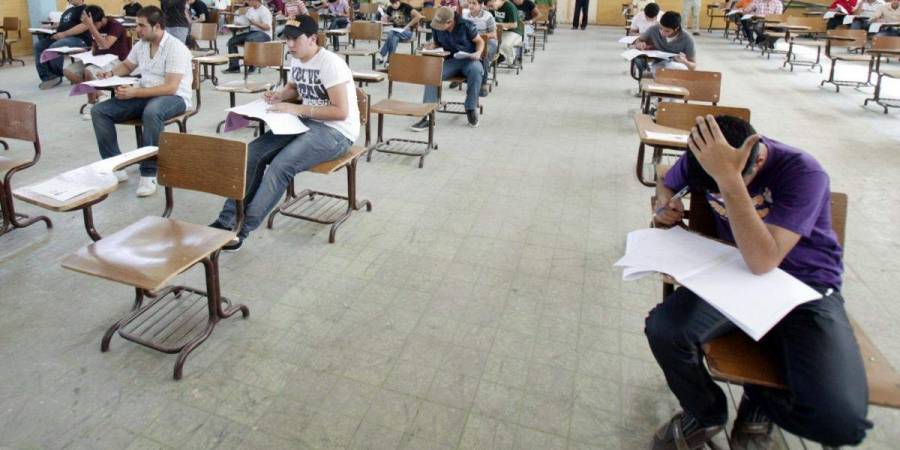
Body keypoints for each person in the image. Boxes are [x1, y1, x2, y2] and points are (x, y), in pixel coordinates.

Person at [646, 114, 872, 450]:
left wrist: (729, 179)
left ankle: (759, 396)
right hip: (737, 275)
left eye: (731, 179)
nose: (719, 190)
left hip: (805, 288)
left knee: (841, 424)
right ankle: (706, 412)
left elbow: (764, 261)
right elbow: (666, 177)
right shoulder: (704, 158)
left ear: (759, 158)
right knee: (664, 330)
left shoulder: (803, 172)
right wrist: (665, 202)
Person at [210, 16, 359, 251]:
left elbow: (341, 112)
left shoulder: (331, 64)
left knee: (281, 166)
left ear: (312, 39)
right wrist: (280, 95)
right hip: (306, 121)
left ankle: (242, 230)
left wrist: (297, 109)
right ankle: (227, 220)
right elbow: (294, 88)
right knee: (251, 154)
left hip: (336, 131)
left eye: (295, 39)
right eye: (287, 39)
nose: (289, 44)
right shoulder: (297, 58)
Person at [90, 5, 194, 198]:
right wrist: (110, 74)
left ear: (157, 26)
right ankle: (115, 165)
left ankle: (149, 172)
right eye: (137, 25)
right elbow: (127, 65)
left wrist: (135, 92)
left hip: (175, 98)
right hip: (145, 93)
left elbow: (170, 87)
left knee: (152, 112)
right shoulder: (142, 45)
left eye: (141, 25)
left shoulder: (176, 48)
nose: (136, 29)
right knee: (99, 111)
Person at [409, 7, 484, 130]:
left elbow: (480, 41)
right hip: (450, 60)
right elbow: (437, 43)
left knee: (476, 71)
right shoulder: (435, 26)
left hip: (469, 59)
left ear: (450, 22)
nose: (438, 27)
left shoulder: (466, 25)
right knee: (432, 74)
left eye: (441, 25)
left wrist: (478, 53)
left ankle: (471, 108)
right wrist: (431, 46)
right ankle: (428, 116)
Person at [64, 5, 131, 119]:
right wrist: (87, 53)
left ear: (102, 19)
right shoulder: (93, 25)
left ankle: (91, 103)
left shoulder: (115, 26)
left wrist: (91, 26)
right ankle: (100, 94)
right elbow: (95, 45)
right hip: (98, 59)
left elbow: (105, 45)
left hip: (116, 60)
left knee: (88, 71)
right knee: (68, 71)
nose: (92, 27)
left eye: (94, 24)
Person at [34, 0, 91, 90]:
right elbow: (63, 24)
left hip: (79, 39)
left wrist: (64, 34)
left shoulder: (86, 9)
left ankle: (57, 74)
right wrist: (52, 27)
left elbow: (85, 25)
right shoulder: (67, 11)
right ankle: (48, 77)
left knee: (57, 46)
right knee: (40, 45)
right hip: (62, 37)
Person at [224, 0, 274, 73]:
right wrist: (240, 24)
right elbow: (248, 22)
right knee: (232, 41)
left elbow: (267, 27)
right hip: (252, 33)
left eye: (250, 0)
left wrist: (254, 23)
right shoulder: (250, 10)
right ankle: (234, 67)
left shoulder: (265, 11)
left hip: (265, 34)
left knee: (249, 40)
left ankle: (252, 65)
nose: (248, 2)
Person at [463, 0, 497, 96]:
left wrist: (480, 37)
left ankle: (483, 83)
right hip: (471, 42)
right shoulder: (465, 17)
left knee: (483, 54)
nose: (471, 5)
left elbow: (494, 34)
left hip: (487, 42)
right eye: (469, 3)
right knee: (459, 50)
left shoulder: (488, 16)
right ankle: (462, 75)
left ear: (481, 5)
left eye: (474, 3)